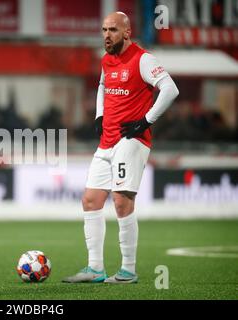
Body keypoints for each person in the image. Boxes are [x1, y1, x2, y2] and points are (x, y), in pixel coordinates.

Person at [62, 12, 179, 284]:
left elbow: (170, 89)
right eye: (103, 29)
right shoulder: (106, 60)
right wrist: (99, 115)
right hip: (108, 140)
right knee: (90, 200)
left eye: (112, 30)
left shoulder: (143, 59)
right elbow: (103, 85)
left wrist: (145, 121)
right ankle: (95, 269)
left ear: (126, 32)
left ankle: (128, 270)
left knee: (121, 201)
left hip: (132, 140)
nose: (106, 35)